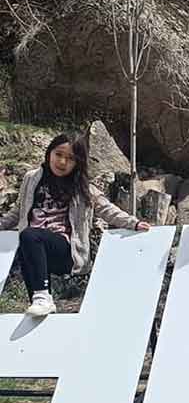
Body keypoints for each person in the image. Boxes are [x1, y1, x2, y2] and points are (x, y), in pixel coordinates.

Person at [0, 132, 150, 317]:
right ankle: (44, 305)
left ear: (77, 163)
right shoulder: (31, 179)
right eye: (58, 154)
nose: (62, 162)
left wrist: (133, 223)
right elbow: (18, 211)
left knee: (30, 235)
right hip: (33, 249)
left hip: (65, 251)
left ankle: (42, 297)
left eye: (70, 158)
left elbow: (107, 209)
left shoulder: (82, 187)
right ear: (49, 153)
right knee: (39, 307)